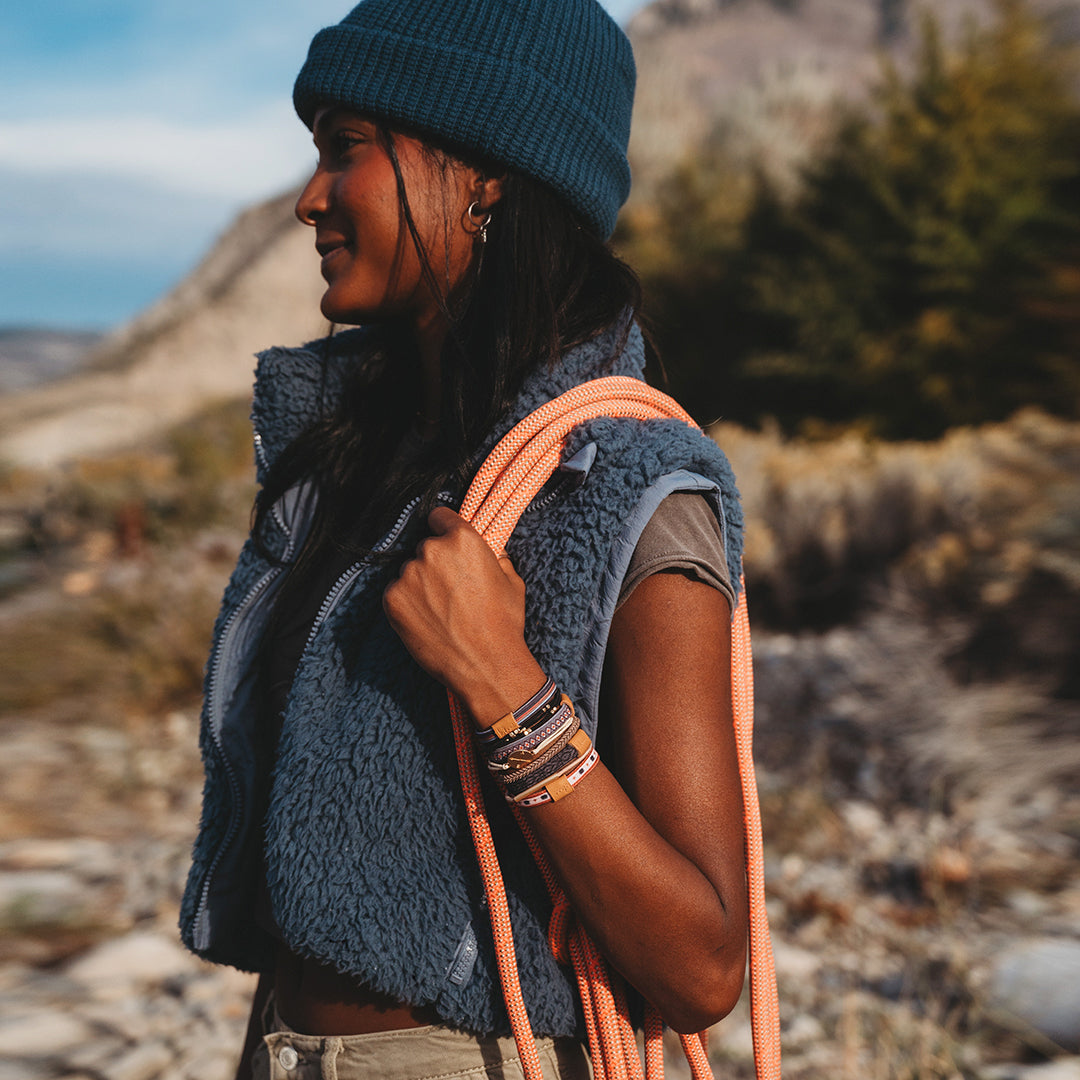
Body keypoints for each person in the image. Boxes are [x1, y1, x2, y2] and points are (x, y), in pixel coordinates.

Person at [179, 1, 750, 1077]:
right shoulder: (360, 467)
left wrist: (506, 686)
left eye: (346, 147)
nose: (309, 199)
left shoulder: (627, 484)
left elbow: (703, 966)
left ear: (484, 176)